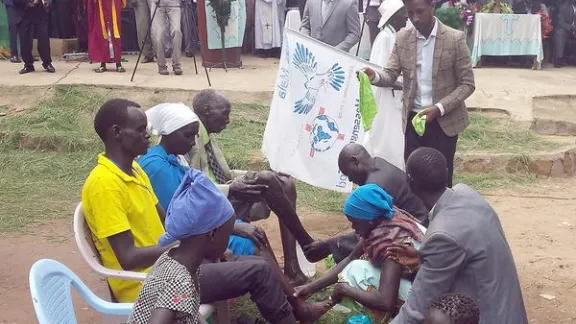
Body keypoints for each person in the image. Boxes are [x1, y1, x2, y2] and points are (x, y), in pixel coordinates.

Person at [82, 98, 328, 323]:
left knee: (250, 260)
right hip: (154, 283)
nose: (148, 135)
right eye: (139, 130)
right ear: (116, 133)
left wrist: (204, 247)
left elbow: (167, 222)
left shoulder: (134, 171)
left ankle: (292, 310)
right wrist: (188, 249)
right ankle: (296, 315)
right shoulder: (105, 184)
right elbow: (128, 258)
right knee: (258, 270)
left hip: (173, 267)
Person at [387, 147, 528, 323]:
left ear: (409, 182)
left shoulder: (443, 235)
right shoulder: (467, 194)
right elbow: (467, 247)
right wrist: (423, 257)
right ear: (446, 172)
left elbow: (415, 312)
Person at [186, 89, 314, 283]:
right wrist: (232, 188)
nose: (228, 120)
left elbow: (224, 174)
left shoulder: (207, 136)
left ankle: (292, 268)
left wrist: (243, 179)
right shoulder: (189, 138)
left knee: (284, 183)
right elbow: (191, 186)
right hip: (211, 203)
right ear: (207, 109)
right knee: (268, 179)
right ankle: (306, 247)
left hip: (224, 191)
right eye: (225, 113)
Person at [360, 0, 475, 187]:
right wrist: (374, 77)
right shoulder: (402, 38)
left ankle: (442, 214)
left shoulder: (455, 39)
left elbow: (467, 84)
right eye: (410, 12)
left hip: (444, 123)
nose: (415, 18)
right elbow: (390, 74)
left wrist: (439, 108)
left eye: (420, 12)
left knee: (441, 179)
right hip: (413, 121)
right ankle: (419, 215)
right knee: (414, 177)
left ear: (432, 6)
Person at [137, 102, 264, 257]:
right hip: (188, 238)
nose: (192, 142)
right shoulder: (156, 166)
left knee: (257, 235)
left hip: (203, 227)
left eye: (195, 136)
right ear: (169, 133)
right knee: (252, 244)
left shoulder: (176, 158)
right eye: (188, 135)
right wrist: (234, 228)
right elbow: (180, 219)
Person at [294, 184, 426, 323]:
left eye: (354, 222)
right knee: (355, 265)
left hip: (425, 298)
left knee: (356, 271)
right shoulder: (387, 217)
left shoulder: (392, 243)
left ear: (369, 220)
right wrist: (311, 288)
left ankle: (396, 316)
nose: (353, 228)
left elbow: (386, 302)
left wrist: (345, 290)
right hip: (426, 282)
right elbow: (350, 257)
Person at [127, 169, 237, 324]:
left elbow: (185, 310)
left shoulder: (175, 258)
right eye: (228, 234)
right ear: (213, 234)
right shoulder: (179, 281)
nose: (227, 242)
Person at [303, 143, 429, 264]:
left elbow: (368, 233)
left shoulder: (376, 186)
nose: (350, 180)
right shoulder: (380, 163)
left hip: (416, 233)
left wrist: (330, 245)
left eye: (348, 173)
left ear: (355, 161)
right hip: (420, 223)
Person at [363, 0, 406, 170]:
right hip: (387, 97)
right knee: (386, 133)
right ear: (393, 17)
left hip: (396, 96)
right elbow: (382, 73)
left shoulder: (394, 36)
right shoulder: (384, 38)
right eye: (403, 13)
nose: (406, 17)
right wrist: (405, 83)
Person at [12, 0, 55, 74]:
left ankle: (47, 63)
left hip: (40, 12)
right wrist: (29, 1)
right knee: (25, 41)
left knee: (43, 39)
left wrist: (47, 2)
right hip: (24, 12)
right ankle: (28, 65)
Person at [87, 0, 126, 73]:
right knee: (102, 33)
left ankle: (118, 63)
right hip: (101, 4)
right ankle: (103, 63)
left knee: (115, 32)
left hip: (113, 3)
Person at [149, 0, 183, 75]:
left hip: (174, 3)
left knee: (177, 31)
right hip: (156, 2)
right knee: (159, 34)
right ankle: (161, 65)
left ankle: (177, 64)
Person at [553, 0, 576, 68]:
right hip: (568, 31)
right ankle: (559, 58)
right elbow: (560, 22)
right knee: (560, 32)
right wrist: (571, 28)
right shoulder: (564, 7)